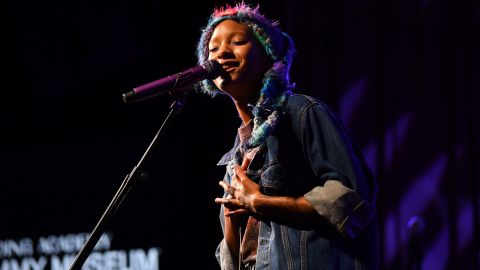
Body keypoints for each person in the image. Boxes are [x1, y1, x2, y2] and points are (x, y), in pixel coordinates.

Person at [195, 2, 379, 269]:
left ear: (270, 56)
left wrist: (261, 202)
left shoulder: (301, 112)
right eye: (213, 49)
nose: (222, 52)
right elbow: (237, 259)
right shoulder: (235, 158)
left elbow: (351, 199)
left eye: (237, 42)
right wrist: (233, 224)